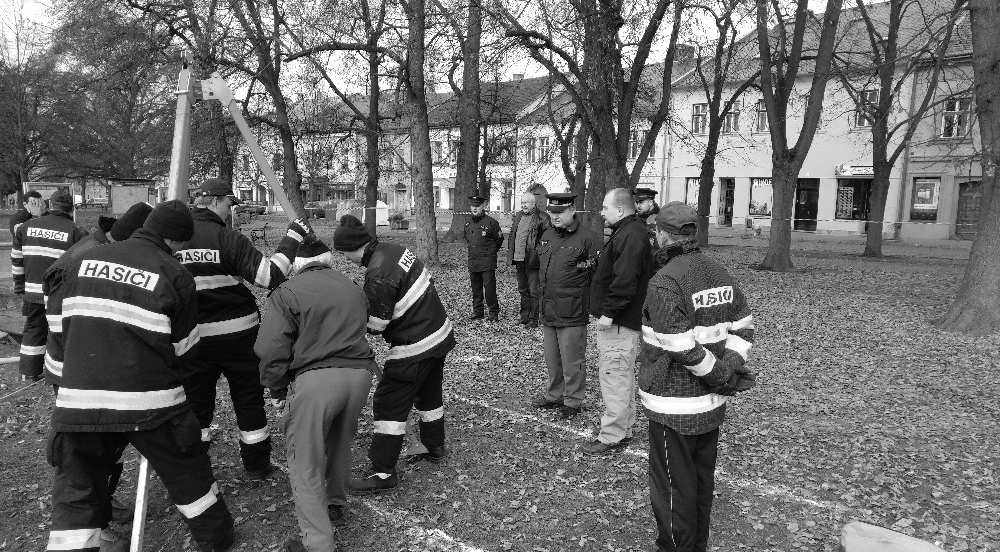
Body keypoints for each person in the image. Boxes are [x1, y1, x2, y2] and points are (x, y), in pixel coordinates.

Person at [45, 200, 235, 552]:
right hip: (151, 402)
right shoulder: (174, 275)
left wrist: (66, 393)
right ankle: (215, 538)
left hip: (78, 400)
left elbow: (57, 338)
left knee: (78, 486)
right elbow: (185, 351)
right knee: (187, 472)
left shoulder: (77, 263)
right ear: (178, 241)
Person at [640, 202, 756, 552]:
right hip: (711, 406)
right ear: (693, 233)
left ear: (661, 234)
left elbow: (680, 346)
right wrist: (729, 370)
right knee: (701, 485)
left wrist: (720, 374)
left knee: (674, 490)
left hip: (672, 408)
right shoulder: (720, 273)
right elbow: (743, 328)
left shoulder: (665, 281)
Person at [176, 178, 311, 480]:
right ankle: (257, 464)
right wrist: (291, 238)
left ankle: (194, 470)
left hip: (193, 340)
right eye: (228, 203)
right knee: (248, 399)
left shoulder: (172, 239)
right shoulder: (227, 239)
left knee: (197, 405)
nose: (229, 210)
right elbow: (270, 275)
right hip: (238, 336)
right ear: (213, 201)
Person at [255, 235, 375, 552]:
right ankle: (335, 503)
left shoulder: (287, 292)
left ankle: (317, 543)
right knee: (340, 443)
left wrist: (276, 387)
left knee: (303, 460)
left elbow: (269, 347)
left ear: (296, 264)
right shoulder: (352, 287)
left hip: (317, 382)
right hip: (359, 376)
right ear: (328, 260)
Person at [333, 215, 455, 495]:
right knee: (429, 395)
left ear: (354, 248)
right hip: (438, 334)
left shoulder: (377, 273)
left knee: (389, 402)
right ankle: (434, 445)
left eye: (344, 254)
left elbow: (376, 326)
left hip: (415, 344)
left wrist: (355, 312)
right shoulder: (396, 251)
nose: (345, 259)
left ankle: (382, 471)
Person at [584, 188, 652, 455]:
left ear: (620, 210)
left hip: (620, 322)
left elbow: (625, 280)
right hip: (621, 320)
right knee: (620, 375)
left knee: (614, 375)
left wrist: (609, 312)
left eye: (605, 207)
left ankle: (612, 434)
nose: (601, 212)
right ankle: (623, 427)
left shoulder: (631, 235)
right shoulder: (628, 232)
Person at [531, 193, 600, 419]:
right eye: (552, 212)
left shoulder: (588, 238)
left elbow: (595, 274)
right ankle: (555, 395)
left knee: (573, 360)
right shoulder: (547, 234)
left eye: (560, 212)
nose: (555, 216)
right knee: (552, 358)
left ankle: (573, 400)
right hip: (549, 307)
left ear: (572, 210)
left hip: (573, 310)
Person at [11, 190, 86, 382]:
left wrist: (20, 286)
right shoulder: (76, 232)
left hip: (33, 292)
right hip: (58, 295)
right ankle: (61, 373)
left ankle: (29, 372)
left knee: (33, 329)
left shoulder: (25, 228)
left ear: (49, 205)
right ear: (71, 209)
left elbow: (17, 260)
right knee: (60, 331)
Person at [506, 191, 549, 328]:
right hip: (519, 259)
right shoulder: (518, 215)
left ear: (533, 203)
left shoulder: (543, 217)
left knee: (533, 291)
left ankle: (533, 319)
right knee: (523, 289)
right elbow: (513, 234)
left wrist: (538, 254)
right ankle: (524, 316)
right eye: (522, 202)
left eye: (526, 203)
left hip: (533, 260)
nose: (523, 205)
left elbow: (547, 240)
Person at [463, 193, 503, 321]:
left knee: (489, 289)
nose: (474, 208)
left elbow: (499, 240)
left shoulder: (492, 223)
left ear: (483, 206)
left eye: (477, 206)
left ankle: (493, 312)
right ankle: (478, 311)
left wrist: (490, 252)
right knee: (476, 289)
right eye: (472, 206)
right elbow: (467, 239)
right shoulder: (468, 222)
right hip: (473, 261)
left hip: (487, 261)